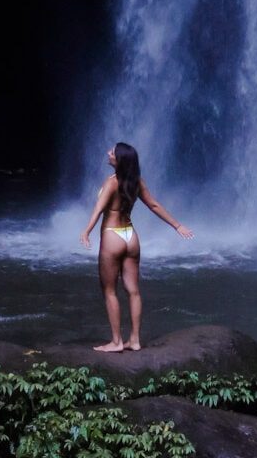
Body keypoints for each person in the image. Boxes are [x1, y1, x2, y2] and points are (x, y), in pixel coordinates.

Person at [80, 142, 193, 352]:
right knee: (133, 291)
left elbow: (98, 209)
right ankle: (135, 340)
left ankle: (116, 342)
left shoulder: (111, 182)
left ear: (119, 160)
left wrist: (86, 231)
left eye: (112, 152)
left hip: (112, 236)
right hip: (131, 236)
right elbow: (153, 204)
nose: (108, 152)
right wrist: (177, 225)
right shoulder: (136, 181)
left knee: (110, 291)